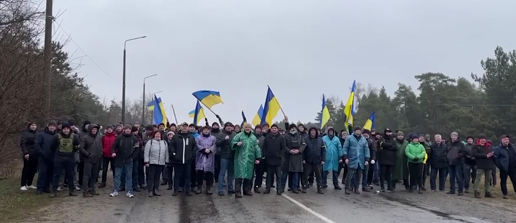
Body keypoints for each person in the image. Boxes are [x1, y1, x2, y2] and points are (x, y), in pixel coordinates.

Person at [49, 123, 80, 198]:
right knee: (56, 175)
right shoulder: (57, 136)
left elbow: (77, 146)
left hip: (70, 158)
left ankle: (71, 191)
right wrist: (57, 153)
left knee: (70, 175)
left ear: (70, 129)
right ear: (62, 129)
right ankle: (54, 191)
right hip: (59, 158)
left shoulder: (74, 136)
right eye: (64, 129)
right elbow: (52, 146)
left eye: (67, 129)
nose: (66, 130)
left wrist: (72, 152)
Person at [231, 123, 261, 198]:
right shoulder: (239, 135)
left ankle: (247, 190)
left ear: (251, 128)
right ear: (244, 128)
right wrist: (236, 144)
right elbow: (232, 143)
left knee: (248, 176)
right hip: (240, 159)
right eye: (246, 127)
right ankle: (237, 191)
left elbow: (256, 148)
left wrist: (258, 157)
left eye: (249, 127)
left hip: (250, 159)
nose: (247, 128)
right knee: (239, 175)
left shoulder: (253, 137)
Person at [110, 125, 138, 198]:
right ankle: (115, 190)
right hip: (119, 159)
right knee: (117, 175)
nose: (128, 130)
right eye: (126, 129)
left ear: (131, 130)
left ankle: (129, 191)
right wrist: (113, 152)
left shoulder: (134, 138)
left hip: (129, 160)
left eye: (129, 129)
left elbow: (137, 149)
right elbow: (113, 146)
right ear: (124, 130)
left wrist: (132, 157)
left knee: (129, 176)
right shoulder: (119, 137)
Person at [170, 122, 197, 196]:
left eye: (186, 126)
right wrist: (174, 155)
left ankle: (187, 190)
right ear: (180, 127)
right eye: (183, 126)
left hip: (188, 160)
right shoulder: (176, 137)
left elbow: (194, 147)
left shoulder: (191, 137)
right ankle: (176, 189)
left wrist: (192, 155)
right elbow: (172, 146)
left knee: (187, 176)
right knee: (177, 176)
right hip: (178, 160)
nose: (184, 128)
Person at [343, 126, 370, 195]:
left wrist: (367, 159)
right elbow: (345, 148)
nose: (358, 132)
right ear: (354, 131)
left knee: (358, 175)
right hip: (352, 158)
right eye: (357, 131)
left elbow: (366, 149)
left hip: (361, 159)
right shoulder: (349, 138)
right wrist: (346, 157)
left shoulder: (363, 139)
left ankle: (356, 188)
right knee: (350, 174)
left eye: (359, 131)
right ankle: (347, 188)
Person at [79, 124, 102, 197]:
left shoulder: (98, 138)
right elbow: (81, 148)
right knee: (87, 175)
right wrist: (87, 154)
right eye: (93, 129)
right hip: (88, 159)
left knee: (94, 175)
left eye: (95, 129)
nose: (94, 131)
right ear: (90, 130)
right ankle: (85, 191)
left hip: (96, 159)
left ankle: (92, 189)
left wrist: (100, 153)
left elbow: (100, 146)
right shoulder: (85, 138)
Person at [262, 124, 286, 195]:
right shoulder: (267, 137)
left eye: (275, 128)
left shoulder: (281, 138)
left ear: (277, 129)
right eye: (273, 128)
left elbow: (283, 148)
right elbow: (264, 147)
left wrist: (280, 155)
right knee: (269, 175)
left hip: (278, 160)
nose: (274, 129)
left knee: (278, 176)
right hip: (269, 159)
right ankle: (268, 188)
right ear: (271, 129)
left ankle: (279, 189)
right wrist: (265, 154)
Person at [282, 124, 306, 194]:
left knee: (296, 174)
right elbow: (284, 146)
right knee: (284, 174)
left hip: (297, 156)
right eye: (291, 128)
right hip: (288, 157)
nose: (293, 129)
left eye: (294, 128)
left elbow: (303, 144)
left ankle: (294, 188)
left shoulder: (300, 136)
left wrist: (299, 150)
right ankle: (281, 188)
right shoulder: (286, 136)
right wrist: (289, 151)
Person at [144, 131, 169, 197]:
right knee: (151, 177)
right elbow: (146, 152)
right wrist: (146, 161)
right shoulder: (150, 142)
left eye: (159, 134)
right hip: (151, 162)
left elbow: (166, 153)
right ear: (154, 135)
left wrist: (166, 161)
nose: (158, 135)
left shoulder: (164, 142)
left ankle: (156, 189)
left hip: (160, 163)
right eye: (156, 134)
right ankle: (150, 190)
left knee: (157, 177)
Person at [35, 120, 57, 194]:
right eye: (51, 126)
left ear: (55, 127)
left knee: (50, 173)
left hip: (53, 157)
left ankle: (46, 187)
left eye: (53, 126)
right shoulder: (41, 135)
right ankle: (40, 188)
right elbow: (37, 145)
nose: (52, 127)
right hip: (43, 157)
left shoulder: (57, 135)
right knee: (42, 173)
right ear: (48, 126)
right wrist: (42, 153)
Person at [301, 127, 325, 194]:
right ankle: (304, 187)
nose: (313, 132)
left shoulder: (320, 140)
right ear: (309, 132)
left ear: (316, 132)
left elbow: (323, 151)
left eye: (314, 131)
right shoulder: (305, 139)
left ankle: (319, 188)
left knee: (319, 176)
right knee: (305, 175)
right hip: (308, 161)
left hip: (318, 161)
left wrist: (323, 159)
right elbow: (303, 151)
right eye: (312, 131)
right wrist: (303, 159)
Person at [195, 125, 217, 195]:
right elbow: (196, 145)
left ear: (210, 130)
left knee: (209, 173)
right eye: (205, 129)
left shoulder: (213, 138)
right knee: (200, 173)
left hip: (209, 157)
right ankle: (199, 187)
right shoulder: (198, 138)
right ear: (202, 130)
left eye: (208, 129)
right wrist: (203, 149)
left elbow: (215, 145)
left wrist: (210, 150)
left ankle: (208, 188)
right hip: (200, 157)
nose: (206, 131)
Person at [216, 122, 237, 196]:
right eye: (227, 126)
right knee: (222, 173)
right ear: (225, 127)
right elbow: (217, 144)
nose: (229, 127)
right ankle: (220, 189)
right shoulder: (221, 134)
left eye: (230, 126)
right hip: (224, 156)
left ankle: (230, 188)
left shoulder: (234, 134)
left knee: (231, 174)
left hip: (232, 156)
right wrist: (224, 140)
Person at [471, 134, 494, 198]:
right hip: (480, 165)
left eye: (484, 139)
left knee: (488, 179)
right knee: (478, 178)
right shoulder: (475, 146)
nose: (483, 140)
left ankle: (487, 191)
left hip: (489, 164)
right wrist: (485, 155)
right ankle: (476, 191)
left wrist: (492, 154)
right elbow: (475, 154)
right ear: (479, 140)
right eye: (482, 139)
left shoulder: (489, 146)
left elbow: (493, 153)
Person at [494, 135, 516, 199]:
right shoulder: (498, 148)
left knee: (514, 180)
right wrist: (500, 166)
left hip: (513, 168)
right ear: (501, 140)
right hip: (504, 168)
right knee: (503, 181)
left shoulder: (512, 147)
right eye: (505, 139)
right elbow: (495, 158)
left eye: (507, 139)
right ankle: (505, 193)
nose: (507, 141)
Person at [20, 122, 39, 191]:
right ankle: (23, 184)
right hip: (28, 154)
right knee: (26, 169)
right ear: (29, 126)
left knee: (33, 169)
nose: (33, 126)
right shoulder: (25, 134)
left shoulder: (37, 133)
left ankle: (29, 183)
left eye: (35, 125)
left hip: (35, 154)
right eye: (32, 125)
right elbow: (23, 144)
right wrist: (25, 152)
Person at [253, 125, 267, 193]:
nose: (258, 130)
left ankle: (257, 186)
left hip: (260, 158)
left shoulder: (263, 138)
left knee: (259, 173)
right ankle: (248, 187)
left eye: (259, 129)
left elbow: (265, 148)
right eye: (257, 129)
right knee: (250, 174)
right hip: (251, 158)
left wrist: (263, 156)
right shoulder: (251, 137)